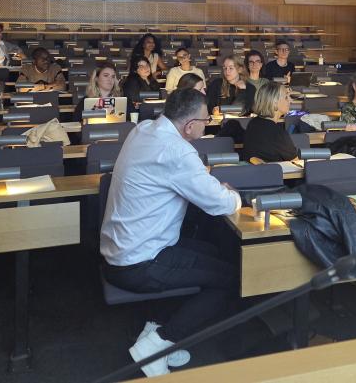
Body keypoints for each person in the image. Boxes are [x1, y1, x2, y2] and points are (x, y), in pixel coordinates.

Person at [100, 89, 240, 377]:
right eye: (205, 120)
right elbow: (221, 203)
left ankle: (153, 328)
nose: (207, 124)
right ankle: (160, 342)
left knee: (210, 252)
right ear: (190, 126)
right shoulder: (177, 151)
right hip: (140, 262)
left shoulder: (143, 130)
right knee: (230, 279)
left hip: (121, 248)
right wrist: (232, 194)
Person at [242, 81, 296, 162]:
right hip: (273, 173)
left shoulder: (253, 123)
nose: (290, 100)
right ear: (274, 103)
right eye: (286, 97)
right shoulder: (276, 132)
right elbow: (295, 160)